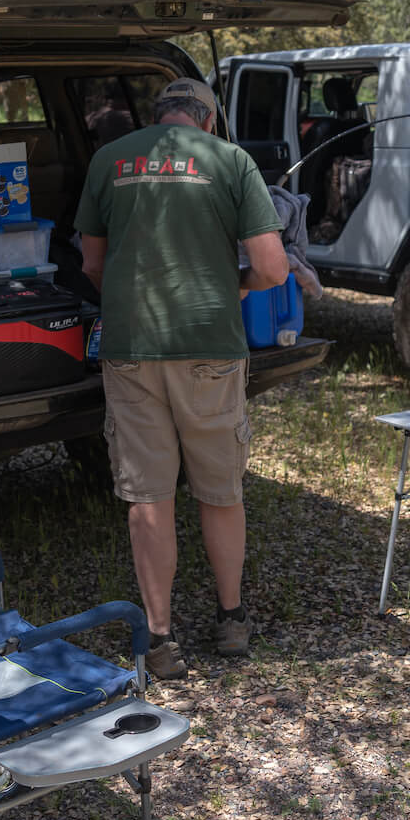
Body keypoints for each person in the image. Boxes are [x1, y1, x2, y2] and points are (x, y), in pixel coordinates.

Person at [76, 77, 289, 680]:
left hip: (132, 348)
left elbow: (91, 261)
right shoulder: (231, 160)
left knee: (149, 495)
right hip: (210, 348)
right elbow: (272, 269)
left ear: (159, 117)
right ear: (209, 119)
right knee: (220, 490)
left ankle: (161, 639)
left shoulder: (109, 160)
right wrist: (233, 284)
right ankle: (231, 619)